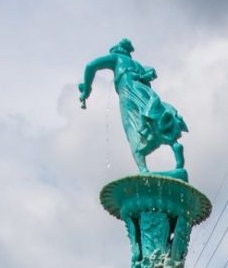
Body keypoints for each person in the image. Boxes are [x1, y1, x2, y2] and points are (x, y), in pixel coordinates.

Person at [79, 39, 188, 176]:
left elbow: (90, 66)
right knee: (154, 116)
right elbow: (148, 79)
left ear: (116, 51)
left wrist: (87, 90)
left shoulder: (117, 58)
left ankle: (143, 170)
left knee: (131, 128)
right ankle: (174, 145)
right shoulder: (137, 65)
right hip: (145, 93)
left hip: (128, 93)